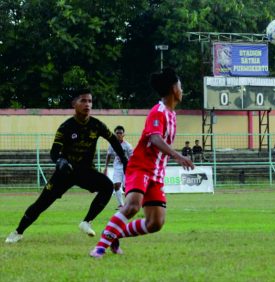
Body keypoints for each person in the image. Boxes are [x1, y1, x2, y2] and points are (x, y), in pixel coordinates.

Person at [89, 68, 194, 258]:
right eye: (180, 86)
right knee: (132, 205)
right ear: (173, 88)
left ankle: (114, 234)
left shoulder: (172, 115)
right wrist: (178, 156)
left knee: (156, 223)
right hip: (141, 166)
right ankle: (100, 248)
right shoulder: (158, 111)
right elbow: (154, 138)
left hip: (157, 173)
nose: (182, 90)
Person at [5, 89, 128, 243]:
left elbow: (114, 141)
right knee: (41, 204)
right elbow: (54, 152)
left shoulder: (97, 125)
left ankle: (86, 222)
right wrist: (60, 161)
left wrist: (124, 159)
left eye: (90, 101)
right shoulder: (66, 127)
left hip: (85, 172)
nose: (87, 104)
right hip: (65, 172)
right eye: (83, 101)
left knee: (107, 186)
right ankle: (18, 232)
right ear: (74, 104)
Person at [104, 125, 133, 209]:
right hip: (117, 167)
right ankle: (121, 204)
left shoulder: (127, 145)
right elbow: (108, 155)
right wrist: (106, 167)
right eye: (117, 133)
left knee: (125, 187)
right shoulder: (112, 145)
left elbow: (132, 157)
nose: (119, 134)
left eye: (120, 133)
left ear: (124, 134)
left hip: (127, 167)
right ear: (115, 134)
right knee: (116, 185)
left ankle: (128, 204)